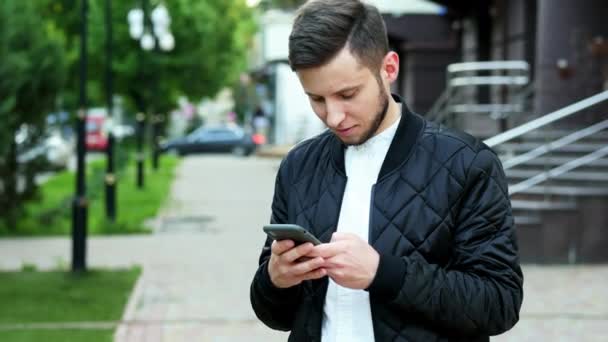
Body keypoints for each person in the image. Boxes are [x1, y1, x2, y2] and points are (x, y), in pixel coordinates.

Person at [250, 1, 523, 341]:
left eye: (347, 94)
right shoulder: (298, 166)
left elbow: (500, 304)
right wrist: (275, 279)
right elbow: (274, 315)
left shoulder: (468, 164)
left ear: (389, 68)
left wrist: (383, 273)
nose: (333, 116)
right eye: (317, 99)